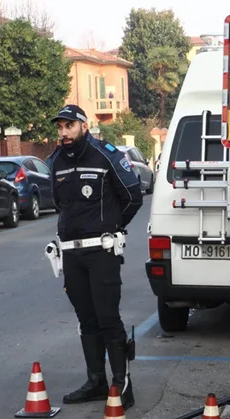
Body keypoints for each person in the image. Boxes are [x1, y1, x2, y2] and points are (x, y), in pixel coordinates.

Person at [45, 104, 143, 409]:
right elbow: (62, 204)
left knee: (108, 318)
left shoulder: (106, 155)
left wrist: (110, 227)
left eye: (69, 126)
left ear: (83, 127)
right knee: (86, 320)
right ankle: (96, 381)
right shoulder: (56, 161)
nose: (64, 133)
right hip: (72, 254)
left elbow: (132, 197)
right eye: (60, 127)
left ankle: (121, 384)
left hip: (101, 251)